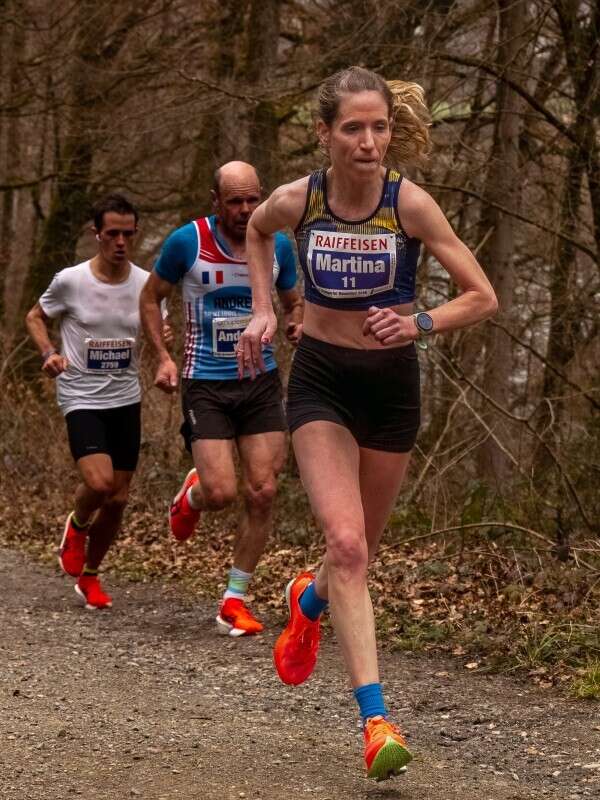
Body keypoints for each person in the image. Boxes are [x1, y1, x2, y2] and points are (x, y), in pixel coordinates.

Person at [237, 66, 498, 780]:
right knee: (346, 543)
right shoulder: (300, 201)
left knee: (356, 558)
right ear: (324, 133)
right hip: (321, 381)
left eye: (379, 126)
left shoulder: (409, 206)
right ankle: (376, 721)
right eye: (352, 127)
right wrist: (264, 307)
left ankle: (308, 598)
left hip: (391, 391)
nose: (369, 140)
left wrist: (419, 321)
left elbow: (483, 296)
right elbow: (257, 234)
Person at [140, 160, 303, 637]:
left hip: (260, 381)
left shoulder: (278, 245)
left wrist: (296, 321)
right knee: (221, 493)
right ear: (216, 202)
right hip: (205, 382)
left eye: (253, 198)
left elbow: (294, 301)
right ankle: (191, 496)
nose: (246, 209)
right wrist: (162, 357)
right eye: (235, 201)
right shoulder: (186, 242)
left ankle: (234, 598)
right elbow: (152, 297)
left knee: (264, 491)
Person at [25, 193, 168, 610]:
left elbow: (160, 329)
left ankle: (90, 575)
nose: (120, 242)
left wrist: (164, 352)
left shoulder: (146, 284)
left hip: (125, 397)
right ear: (96, 234)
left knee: (120, 498)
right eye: (112, 234)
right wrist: (48, 353)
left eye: (128, 233)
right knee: (99, 484)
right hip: (80, 395)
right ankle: (78, 524)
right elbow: (35, 316)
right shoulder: (71, 280)